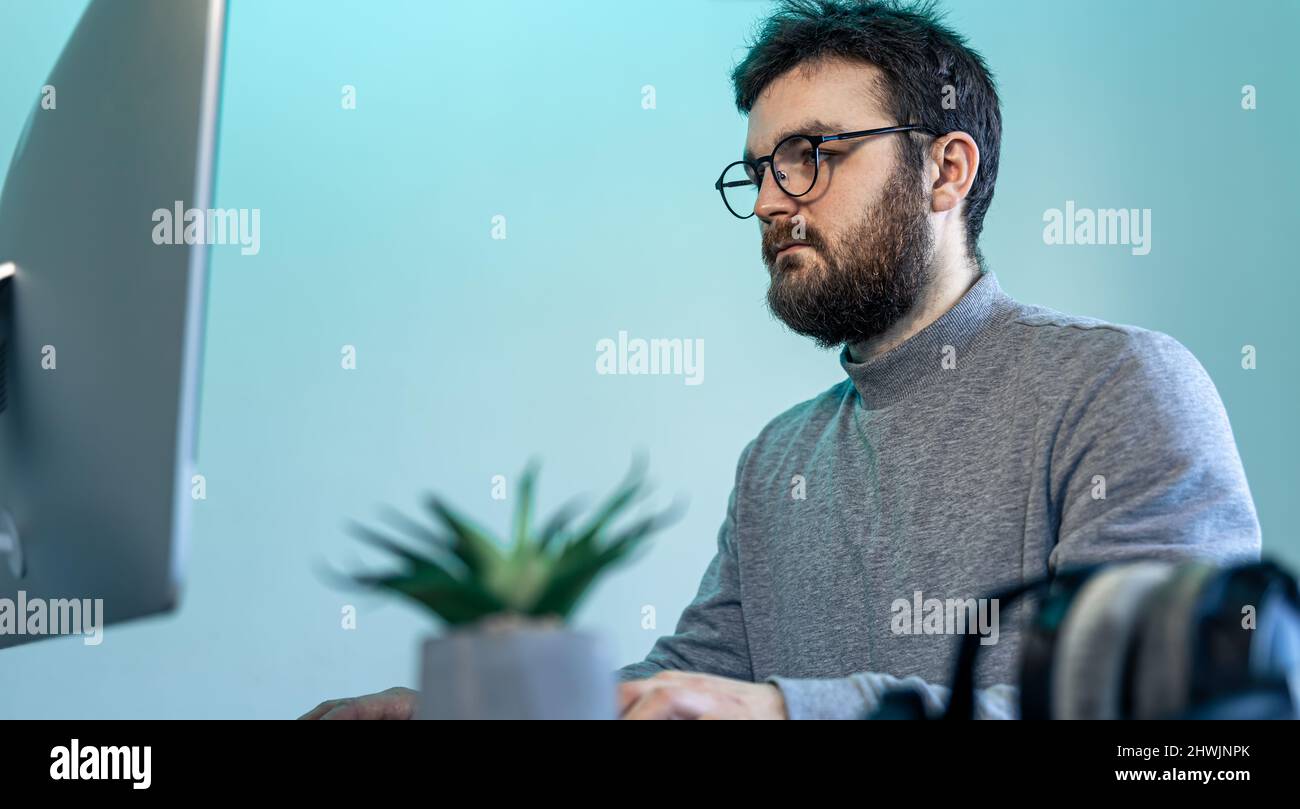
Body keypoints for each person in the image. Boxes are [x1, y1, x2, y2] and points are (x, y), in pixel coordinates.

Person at [301, 0, 1260, 720]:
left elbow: (1170, 727)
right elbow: (688, 683)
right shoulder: (779, 460)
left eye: (811, 154)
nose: (769, 200)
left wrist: (789, 709)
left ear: (946, 170)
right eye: (760, 168)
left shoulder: (1118, 384)